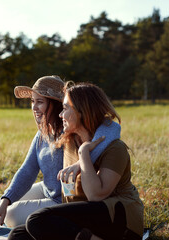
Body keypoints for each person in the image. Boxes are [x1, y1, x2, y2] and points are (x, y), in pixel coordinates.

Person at [8, 82, 144, 240]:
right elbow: (29, 167)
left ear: (82, 111)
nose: (60, 114)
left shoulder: (115, 149)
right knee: (17, 235)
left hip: (119, 220)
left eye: (65, 108)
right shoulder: (69, 139)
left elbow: (96, 195)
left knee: (37, 220)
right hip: (85, 217)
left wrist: (83, 154)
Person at [0, 76, 121, 228]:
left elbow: (112, 128)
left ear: (56, 105)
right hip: (47, 188)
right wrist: (6, 200)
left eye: (40, 102)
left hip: (64, 198)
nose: (34, 107)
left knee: (12, 216)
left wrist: (79, 163)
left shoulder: (71, 129)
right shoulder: (42, 133)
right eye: (32, 101)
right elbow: (27, 171)